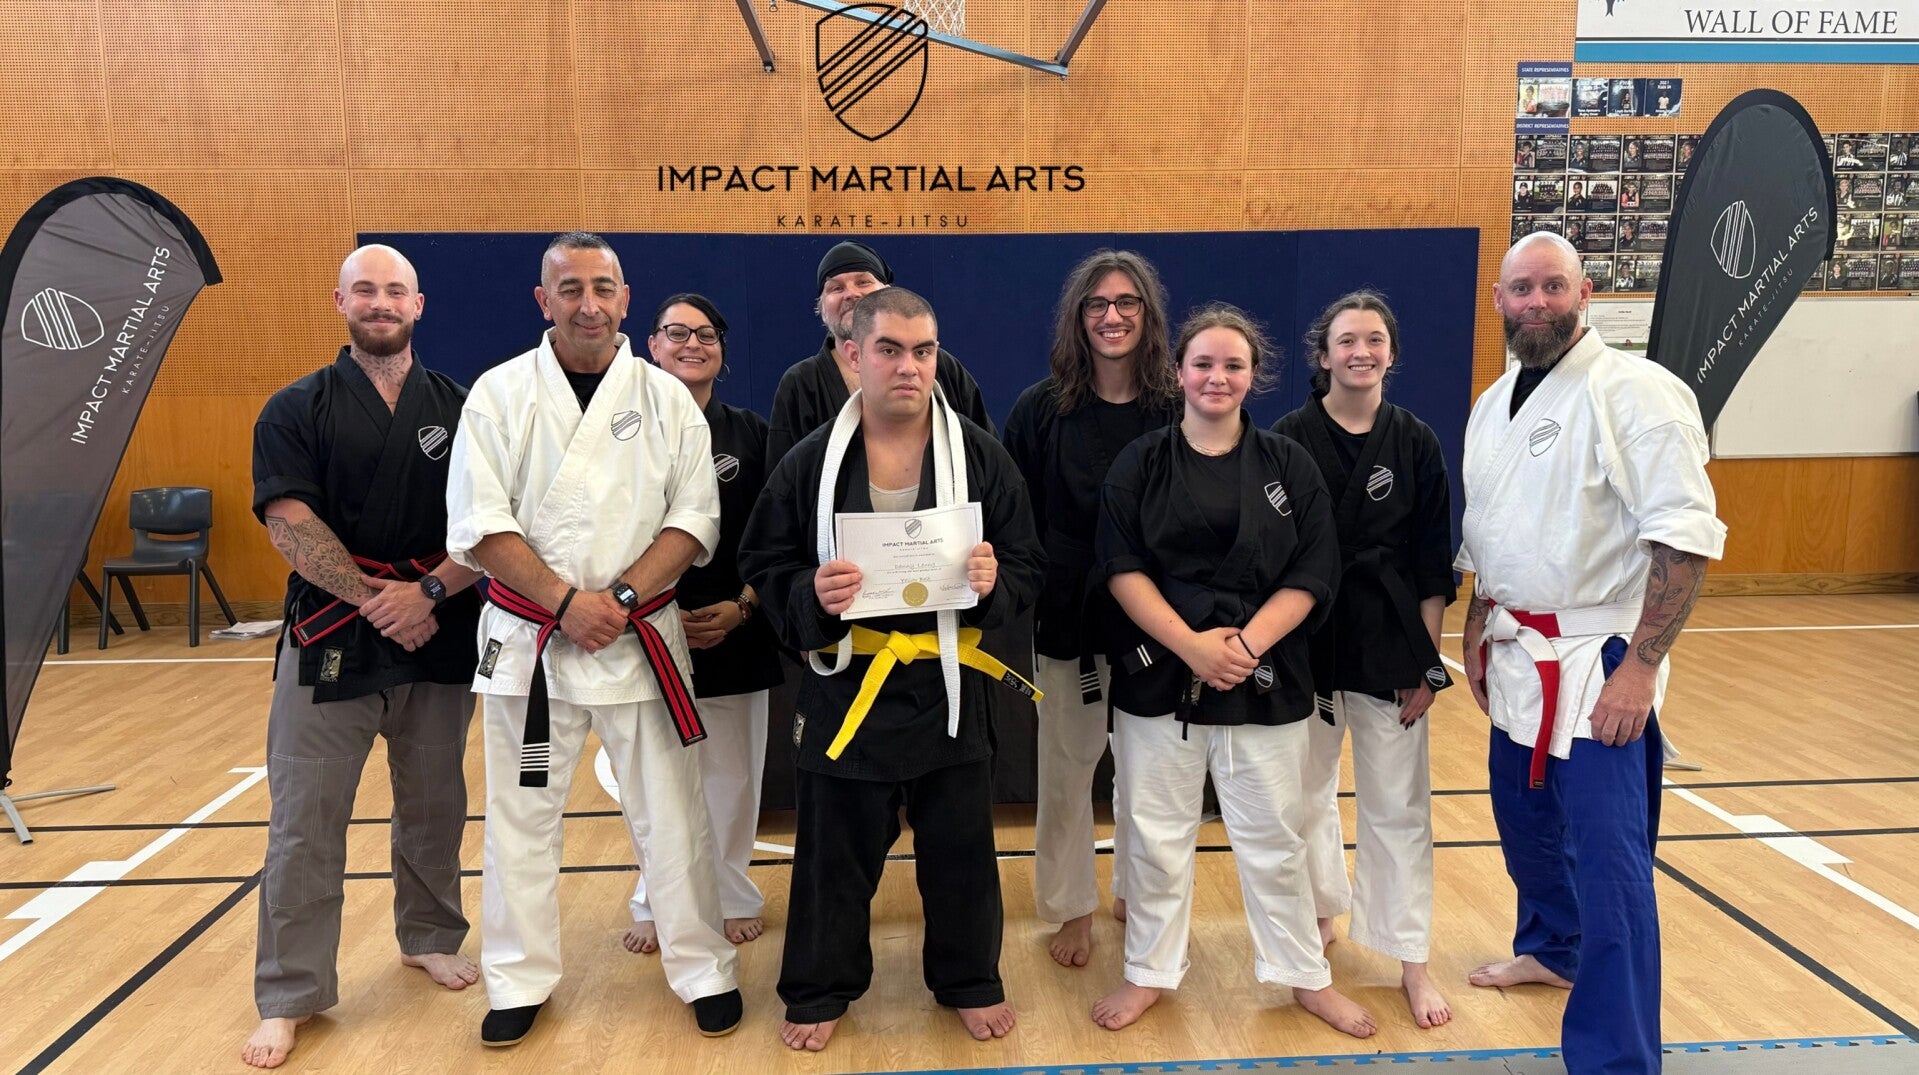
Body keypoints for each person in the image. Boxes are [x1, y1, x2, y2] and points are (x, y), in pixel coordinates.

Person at [445, 232, 742, 1046]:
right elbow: (479, 524)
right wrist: (566, 603)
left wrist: (616, 600)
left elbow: (694, 519)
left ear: (625, 298)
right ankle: (518, 977)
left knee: (673, 814)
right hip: (533, 644)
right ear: (543, 300)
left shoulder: (665, 398)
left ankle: (701, 966)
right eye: (569, 288)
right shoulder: (500, 393)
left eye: (602, 287)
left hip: (637, 639)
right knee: (520, 818)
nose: (588, 304)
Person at [739, 286, 1044, 1053]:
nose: (908, 366)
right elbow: (764, 559)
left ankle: (969, 977)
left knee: (961, 849)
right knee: (832, 853)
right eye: (889, 349)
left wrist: (993, 583)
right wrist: (809, 593)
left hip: (946, 684)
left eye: (923, 350)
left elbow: (1027, 563)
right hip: (848, 684)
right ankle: (819, 985)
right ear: (852, 354)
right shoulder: (811, 461)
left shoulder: (979, 454)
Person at [1459, 233, 1725, 1075]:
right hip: (1515, 647)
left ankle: (1617, 1057)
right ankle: (1552, 948)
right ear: (1499, 301)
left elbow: (1682, 538)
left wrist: (1638, 669)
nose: (1535, 302)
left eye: (1552, 286)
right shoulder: (1493, 400)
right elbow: (1490, 528)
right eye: (1520, 290)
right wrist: (1476, 621)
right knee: (1526, 827)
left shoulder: (1636, 390)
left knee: (1612, 871)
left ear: (1584, 293)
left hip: (1596, 657)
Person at [1090, 304, 1366, 1037]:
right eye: (1204, 364)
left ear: (1254, 375)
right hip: (1160, 675)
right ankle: (1148, 970)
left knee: (1278, 838)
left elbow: (1314, 569)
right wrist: (1191, 646)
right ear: (1178, 371)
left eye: (1233, 365)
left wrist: (1243, 647)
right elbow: (1120, 567)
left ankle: (1304, 974)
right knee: (1155, 835)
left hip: (1263, 677)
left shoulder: (1288, 464)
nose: (1217, 377)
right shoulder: (1140, 464)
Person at [243, 244, 485, 1070]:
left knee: (435, 803)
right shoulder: (294, 406)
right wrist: (377, 600)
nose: (381, 302)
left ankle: (429, 935)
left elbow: (491, 523)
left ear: (419, 304)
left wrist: (427, 594)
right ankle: (290, 991)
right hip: (331, 635)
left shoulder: (463, 406)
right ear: (339, 301)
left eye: (395, 291)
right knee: (306, 820)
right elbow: (288, 520)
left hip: (438, 625)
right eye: (365, 290)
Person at [1273, 292, 1455, 1030]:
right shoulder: (1287, 438)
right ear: (1323, 356)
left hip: (1389, 641)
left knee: (1399, 805)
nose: (1361, 351)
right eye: (1347, 340)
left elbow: (1432, 562)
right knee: (1302, 795)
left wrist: (1427, 663)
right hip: (1308, 641)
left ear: (1391, 353)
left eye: (1374, 339)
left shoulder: (1414, 440)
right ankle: (1320, 914)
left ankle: (1411, 960)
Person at [1001, 250, 1180, 968]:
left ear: (1147, 313)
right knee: (1067, 765)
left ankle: (1136, 890)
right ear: (1077, 318)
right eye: (1097, 304)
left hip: (1159, 617)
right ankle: (1071, 904)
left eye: (1126, 302)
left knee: (1149, 767)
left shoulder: (1176, 405)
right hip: (1067, 613)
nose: (1112, 316)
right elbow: (1013, 518)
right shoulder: (1040, 409)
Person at [622, 293, 784, 956]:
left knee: (731, 773)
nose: (693, 344)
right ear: (651, 346)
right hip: (643, 624)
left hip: (732, 622)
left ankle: (730, 891)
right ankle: (653, 897)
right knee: (650, 774)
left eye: (707, 334)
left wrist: (743, 605)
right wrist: (649, 607)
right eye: (677, 333)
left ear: (722, 348)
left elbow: (779, 533)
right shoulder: (622, 433)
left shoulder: (751, 432)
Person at [766, 240, 993, 463]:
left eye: (863, 282)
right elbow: (786, 479)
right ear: (822, 306)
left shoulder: (942, 368)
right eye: (836, 288)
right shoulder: (801, 384)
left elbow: (987, 457)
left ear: (888, 294)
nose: (851, 294)